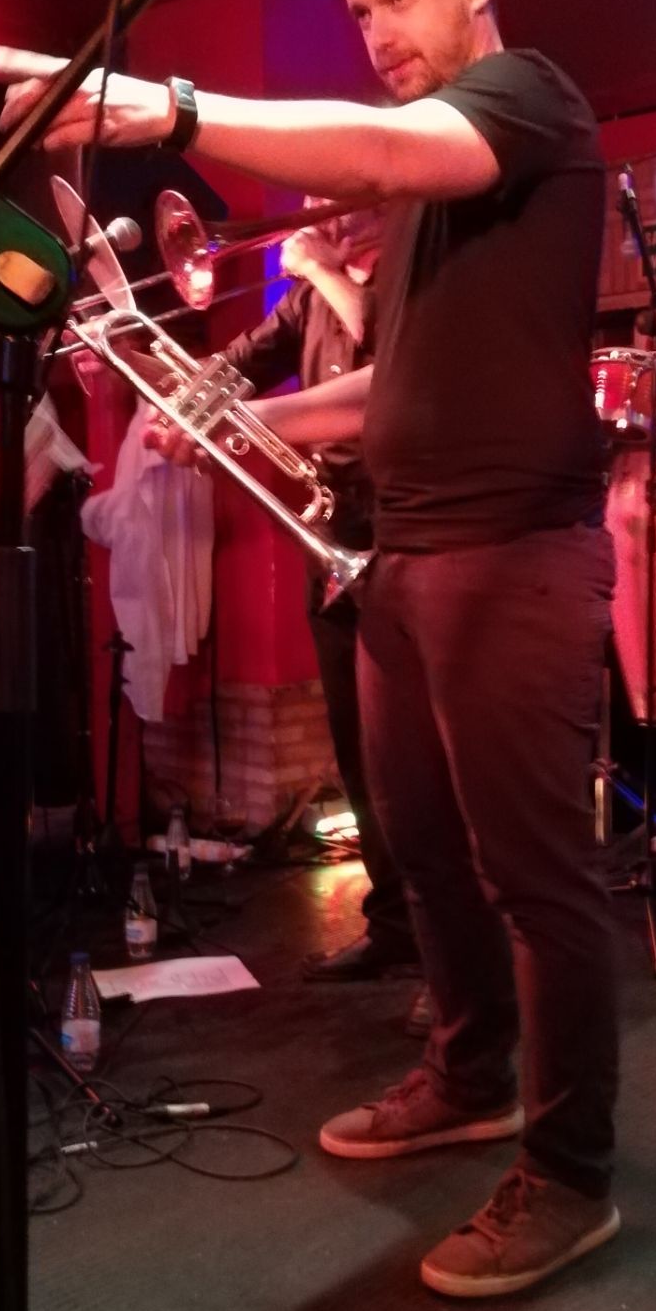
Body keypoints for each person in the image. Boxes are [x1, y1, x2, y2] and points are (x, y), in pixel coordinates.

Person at [4, 0, 620, 1298]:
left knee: (538, 880)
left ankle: (572, 1171)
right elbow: (391, 391)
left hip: (513, 555)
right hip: (404, 556)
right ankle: (469, 1072)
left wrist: (167, 109)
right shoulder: (425, 206)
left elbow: (384, 147)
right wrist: (233, 414)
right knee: (420, 849)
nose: (379, 32)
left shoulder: (526, 98)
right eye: (359, 12)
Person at [221, 207, 426, 1002]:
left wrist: (320, 270)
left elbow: (396, 356)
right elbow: (233, 369)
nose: (313, 215)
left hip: (408, 520)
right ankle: (396, 925)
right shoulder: (307, 300)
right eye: (307, 204)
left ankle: (453, 946)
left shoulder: (411, 272)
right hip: (334, 526)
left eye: (330, 197)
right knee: (358, 745)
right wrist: (130, 356)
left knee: (418, 750)